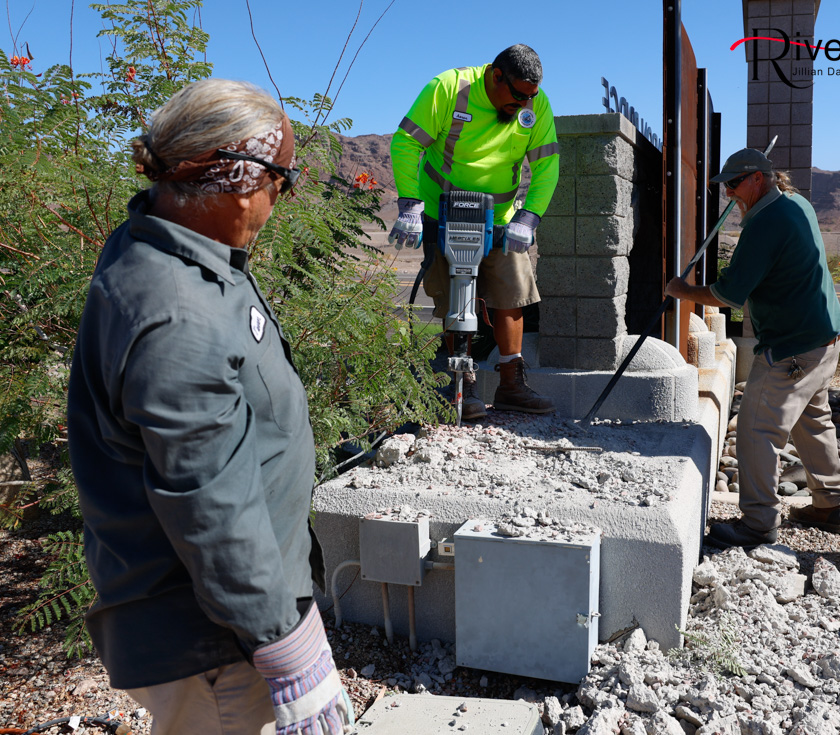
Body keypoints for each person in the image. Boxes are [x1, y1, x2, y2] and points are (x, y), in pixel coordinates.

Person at [67, 79, 353, 735]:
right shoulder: (176, 314)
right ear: (235, 175)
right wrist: (284, 645)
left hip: (230, 617)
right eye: (281, 176)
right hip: (212, 643)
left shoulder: (176, 250)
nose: (282, 195)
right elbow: (207, 501)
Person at [665, 148, 840, 548]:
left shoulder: (767, 222)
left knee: (754, 429)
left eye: (734, 184)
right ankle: (830, 506)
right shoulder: (796, 202)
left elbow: (730, 293)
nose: (729, 193)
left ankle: (758, 523)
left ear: (757, 178)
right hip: (824, 338)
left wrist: (681, 290)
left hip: (793, 347)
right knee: (813, 421)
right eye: (725, 186)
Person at [389, 43, 560, 420]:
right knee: (454, 296)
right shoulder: (449, 88)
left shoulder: (534, 104)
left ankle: (512, 386)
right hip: (440, 211)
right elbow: (405, 142)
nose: (524, 104)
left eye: (530, 96)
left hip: (500, 219)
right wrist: (411, 206)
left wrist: (529, 217)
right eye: (518, 95)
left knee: (511, 296)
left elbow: (547, 165)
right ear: (495, 75)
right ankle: (458, 386)